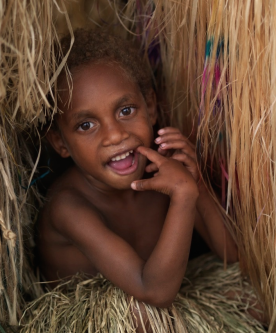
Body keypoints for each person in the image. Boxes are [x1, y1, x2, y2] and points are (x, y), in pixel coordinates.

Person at [36, 29, 238, 309]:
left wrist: (196, 184)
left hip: (164, 307)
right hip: (99, 322)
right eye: (86, 125)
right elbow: (154, 292)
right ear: (60, 142)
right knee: (143, 320)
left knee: (253, 297)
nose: (115, 135)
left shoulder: (164, 171)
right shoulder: (68, 208)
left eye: (126, 111)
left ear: (151, 107)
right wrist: (183, 196)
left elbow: (231, 254)